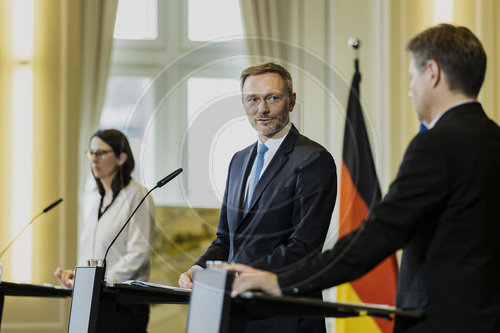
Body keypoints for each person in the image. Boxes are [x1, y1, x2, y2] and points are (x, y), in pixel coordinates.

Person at [228, 24, 500, 333]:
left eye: (412, 77)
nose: (410, 91)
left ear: (433, 73)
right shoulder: (494, 140)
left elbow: (378, 235)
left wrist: (282, 280)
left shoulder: (434, 145)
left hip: (442, 322)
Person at [179, 63, 337, 332]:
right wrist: (200, 268)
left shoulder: (314, 159)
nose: (262, 109)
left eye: (272, 98)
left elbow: (303, 247)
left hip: (284, 316)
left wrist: (235, 274)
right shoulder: (238, 161)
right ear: (243, 103)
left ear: (291, 101)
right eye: (253, 99)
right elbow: (226, 239)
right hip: (234, 314)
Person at [55, 129, 155, 333]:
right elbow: (94, 254)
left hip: (124, 305)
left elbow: (138, 254)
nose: (94, 159)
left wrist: (98, 279)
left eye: (100, 153)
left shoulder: (138, 195)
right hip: (94, 300)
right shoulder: (98, 201)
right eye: (91, 153)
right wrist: (78, 274)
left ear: (121, 157)